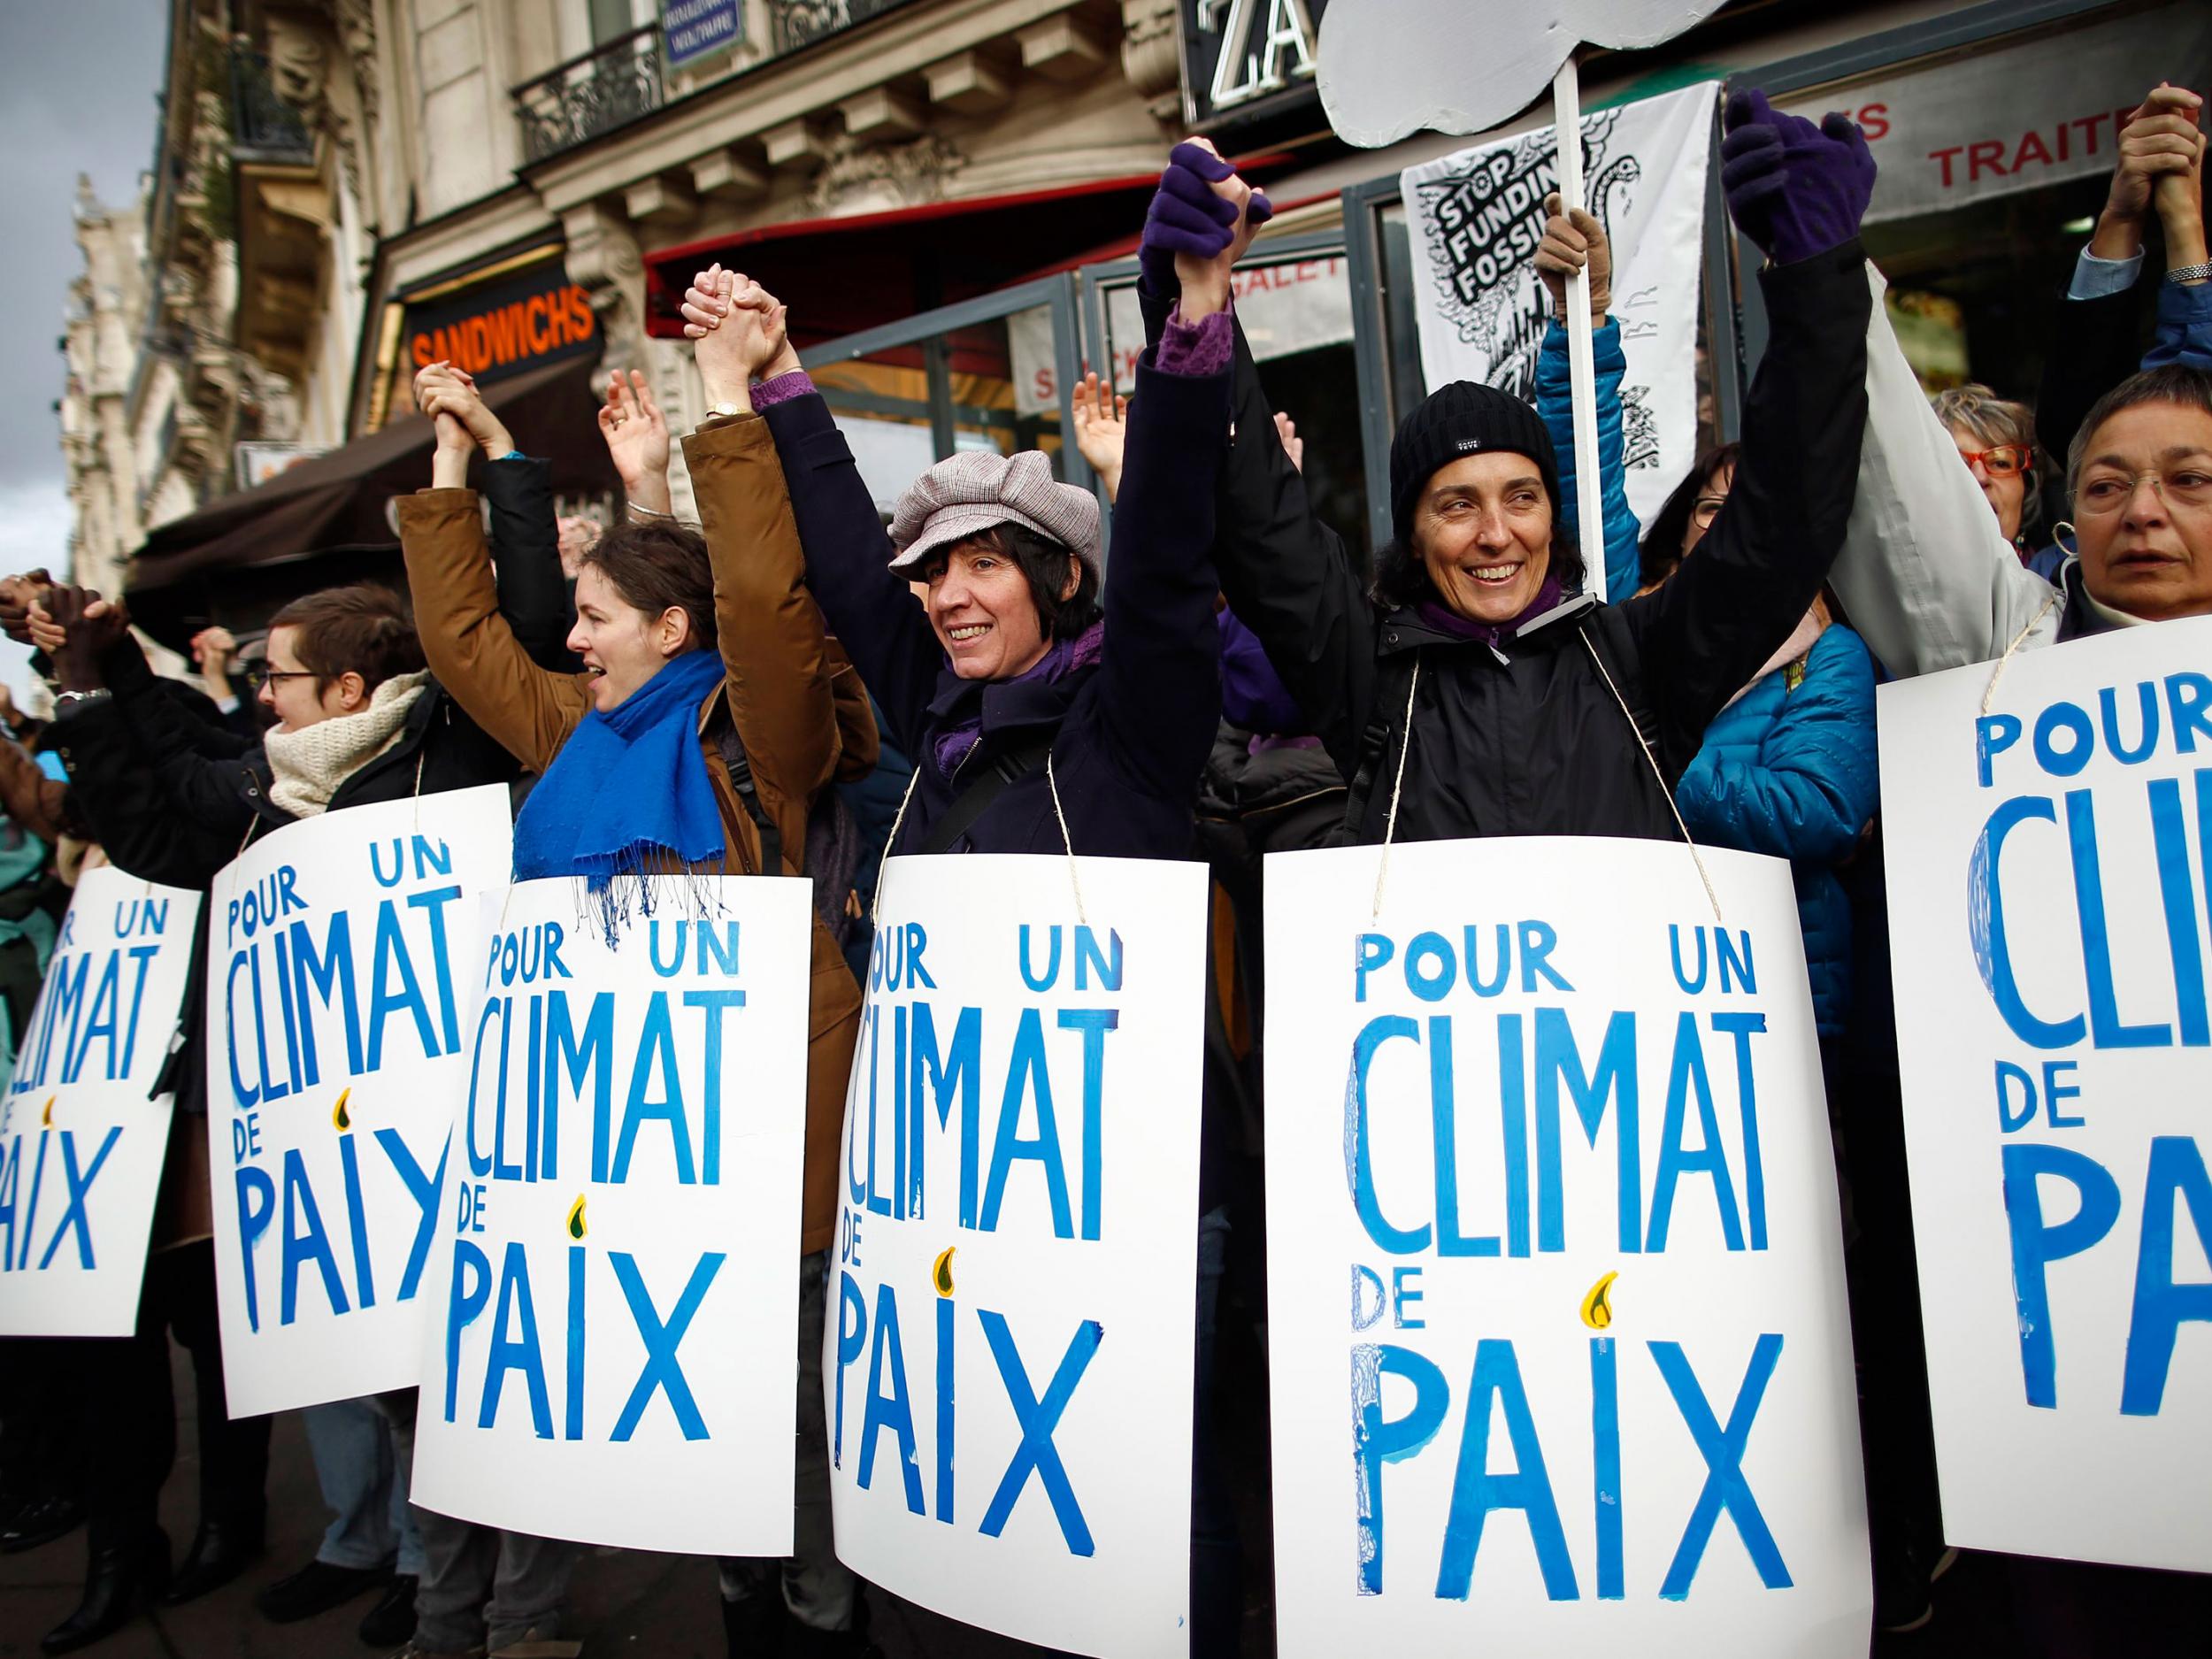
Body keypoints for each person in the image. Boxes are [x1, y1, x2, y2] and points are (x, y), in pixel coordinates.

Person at [683, 154, 1240, 1646]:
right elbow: (849, 574)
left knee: (1159, 1537)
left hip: (1150, 1205)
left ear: (1055, 580)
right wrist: (784, 380)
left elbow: (1176, 554)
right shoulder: (934, 722)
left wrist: (1191, 327)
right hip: (975, 1214)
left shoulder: (1134, 720)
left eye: (985, 565)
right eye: (936, 578)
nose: (949, 596)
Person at [399, 307, 877, 1656]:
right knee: (701, 1410)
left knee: (794, 1414)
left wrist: (727, 404)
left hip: (782, 1144)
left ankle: (825, 1618)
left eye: (599, 616)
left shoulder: (757, 732)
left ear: (672, 626)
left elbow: (774, 610)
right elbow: (465, 641)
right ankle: (740, 1603)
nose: (577, 639)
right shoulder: (581, 732)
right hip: (641, 1151)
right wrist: (456, 461)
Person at [1149, 96, 1873, 855]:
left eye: (1521, 497)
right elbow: (1261, 526)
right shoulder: (1372, 673)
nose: (1496, 535)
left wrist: (1815, 275)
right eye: (1457, 505)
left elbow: (1784, 517)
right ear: (1415, 534)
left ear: (1551, 517)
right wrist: (1197, 303)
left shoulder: (1638, 659)